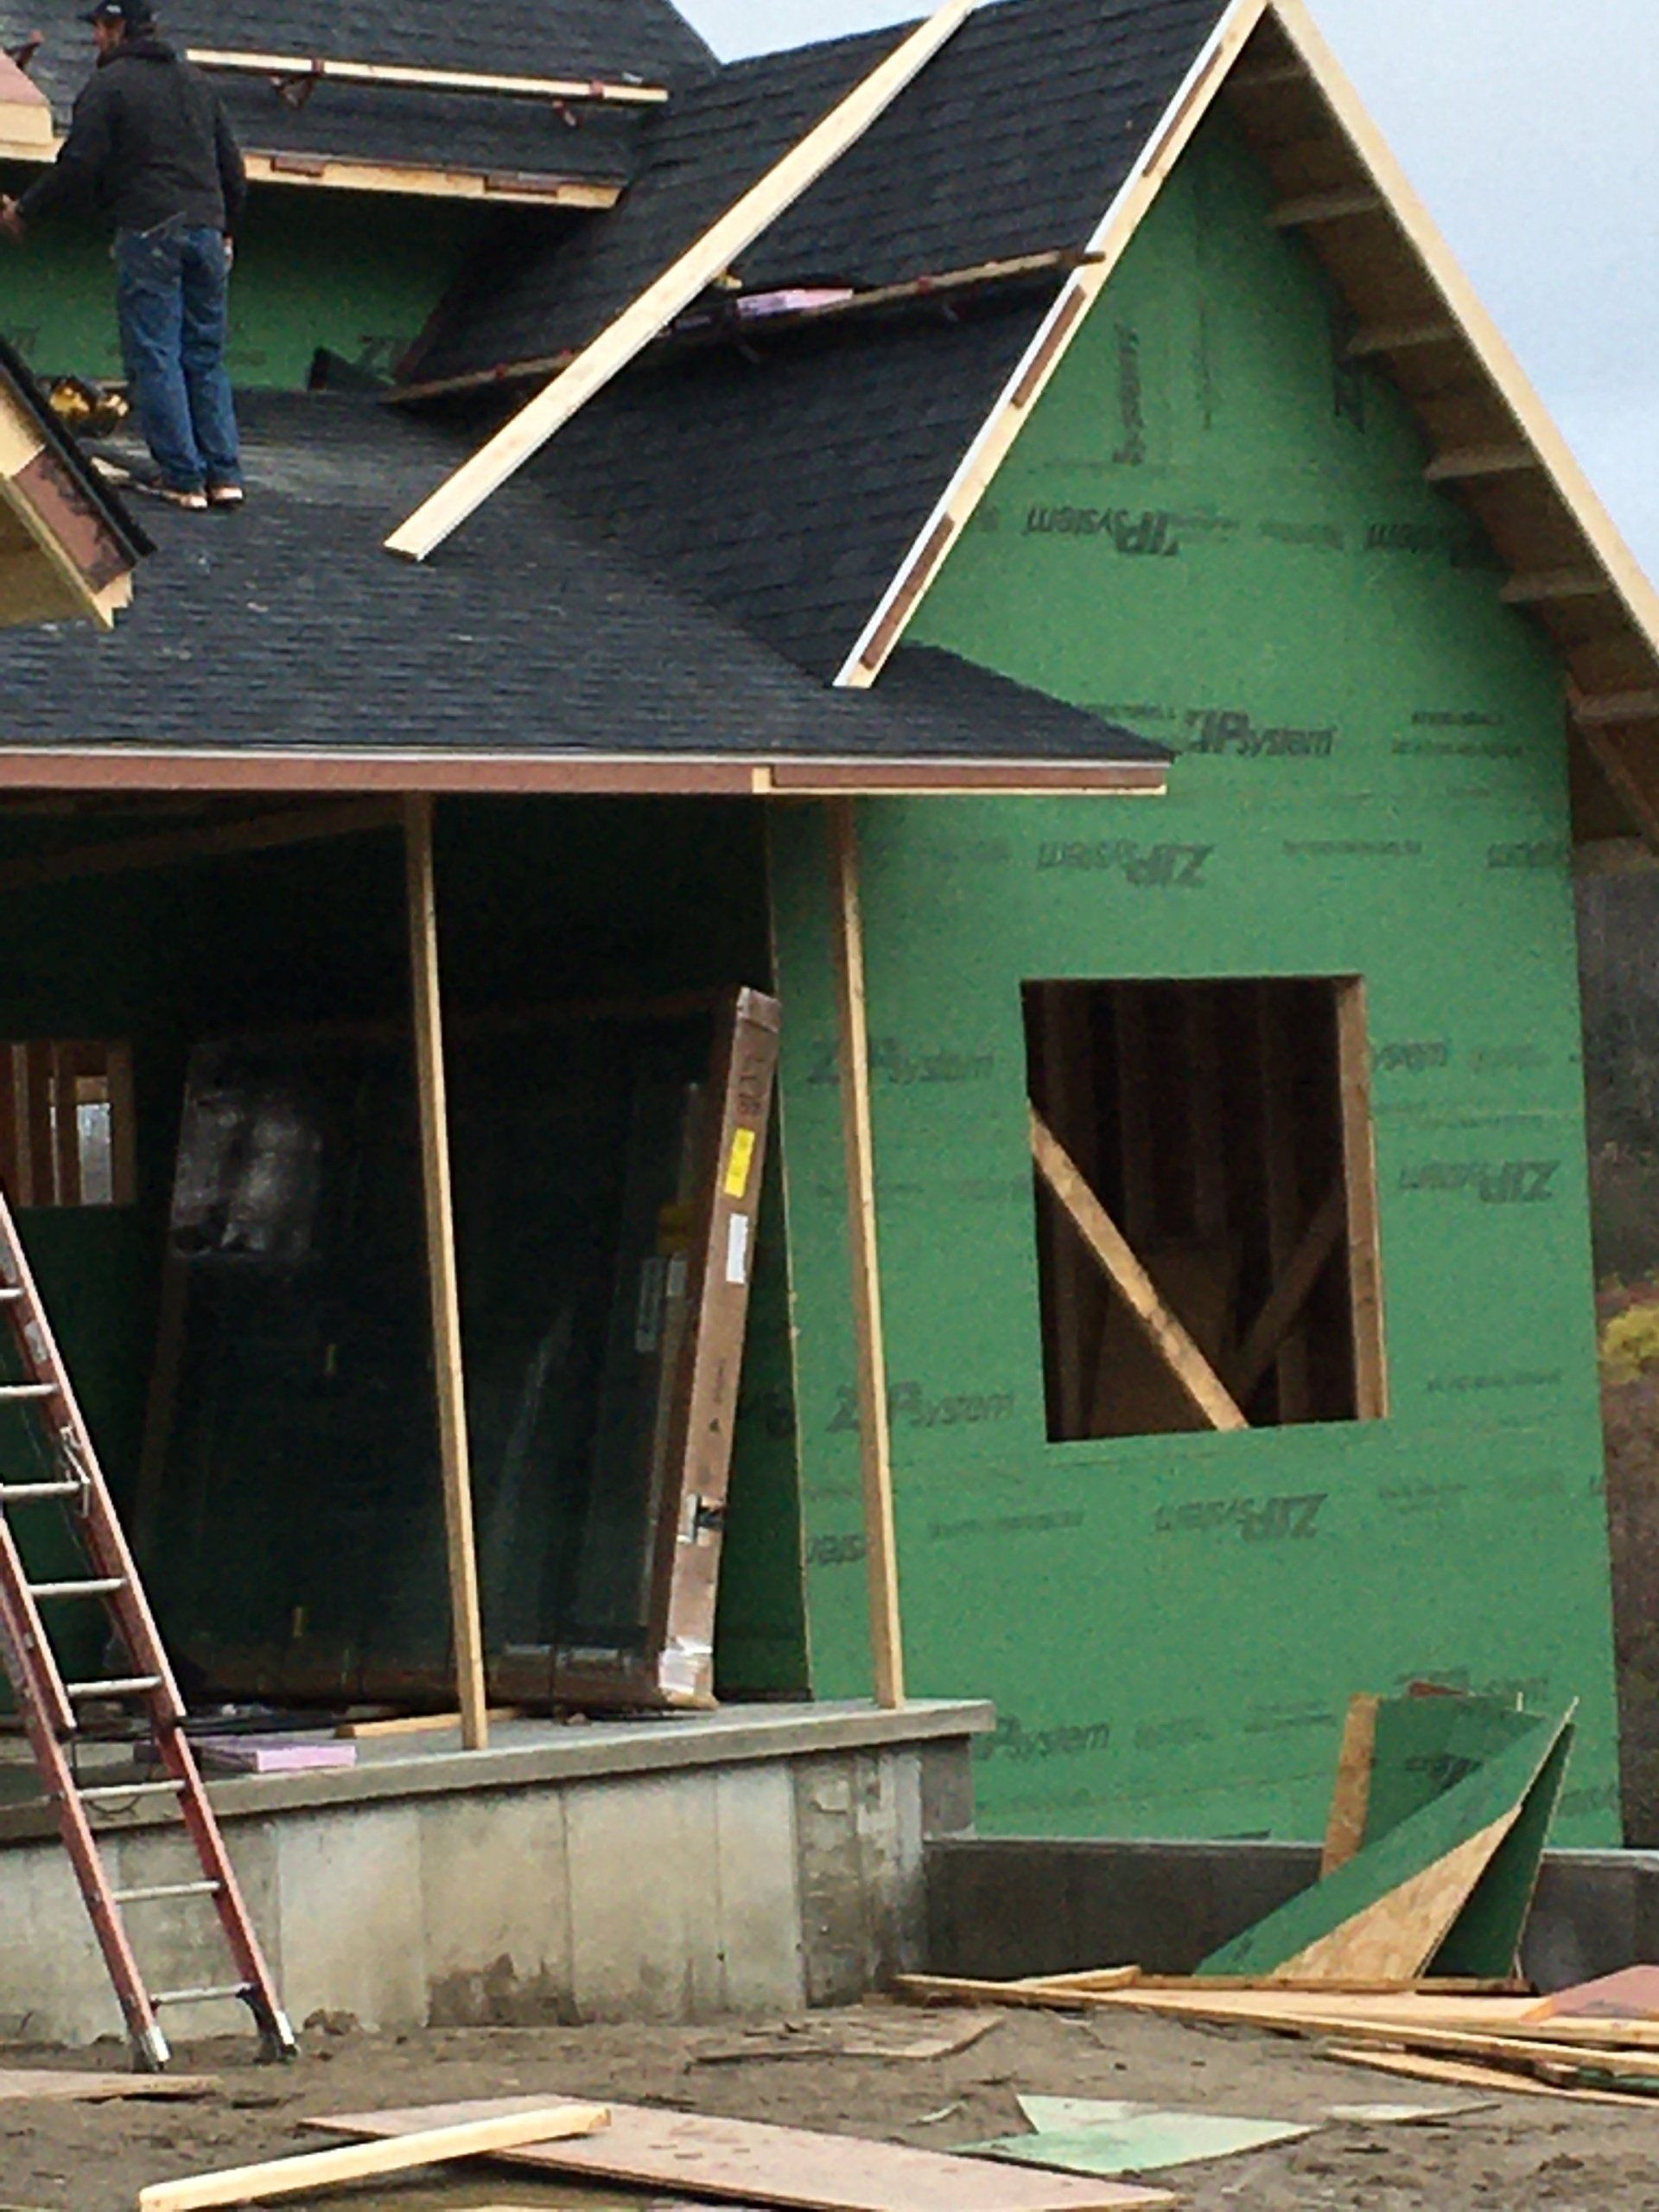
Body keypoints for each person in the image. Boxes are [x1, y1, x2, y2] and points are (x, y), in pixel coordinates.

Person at [0, 0, 246, 511]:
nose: (94, 39)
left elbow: (80, 164)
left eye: (98, 28)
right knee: (203, 355)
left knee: (154, 352)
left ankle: (182, 476)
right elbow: (234, 170)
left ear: (117, 29)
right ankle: (223, 475)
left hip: (151, 230)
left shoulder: (108, 87)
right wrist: (225, 231)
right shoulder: (197, 85)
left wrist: (26, 209)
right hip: (207, 230)